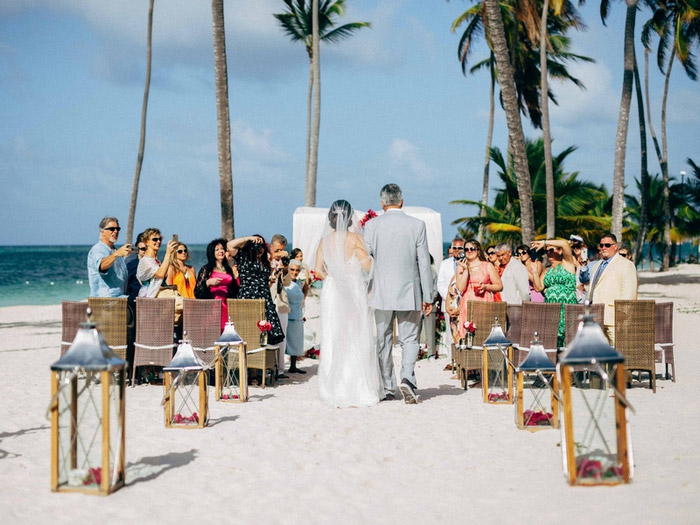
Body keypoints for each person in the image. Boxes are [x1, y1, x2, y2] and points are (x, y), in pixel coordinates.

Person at [364, 184, 433, 404]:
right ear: (402, 201)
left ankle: (387, 386)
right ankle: (407, 378)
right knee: (410, 339)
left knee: (383, 340)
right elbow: (424, 262)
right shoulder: (417, 225)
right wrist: (428, 296)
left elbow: (368, 259)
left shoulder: (372, 226)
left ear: (382, 202)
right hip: (409, 291)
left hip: (381, 291)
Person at [315, 199, 384, 407]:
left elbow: (318, 271)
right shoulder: (355, 239)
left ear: (331, 218)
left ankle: (332, 388)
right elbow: (366, 266)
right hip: (353, 289)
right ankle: (357, 387)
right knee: (356, 333)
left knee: (333, 333)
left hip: (332, 290)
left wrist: (333, 273)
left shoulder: (324, 241)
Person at [227, 235, 285, 346]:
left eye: (262, 246)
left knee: (267, 333)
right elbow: (230, 245)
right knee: (248, 332)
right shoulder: (243, 257)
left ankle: (265, 359)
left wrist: (271, 279)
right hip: (248, 299)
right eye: (256, 246)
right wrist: (249, 238)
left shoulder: (265, 262)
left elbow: (263, 282)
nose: (260, 249)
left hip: (265, 300)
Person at [586, 233, 638, 344]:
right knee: (600, 353)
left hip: (614, 317)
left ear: (615, 246)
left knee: (617, 350)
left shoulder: (626, 265)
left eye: (607, 245)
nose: (603, 247)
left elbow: (628, 295)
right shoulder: (597, 265)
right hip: (596, 316)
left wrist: (623, 318)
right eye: (601, 245)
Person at [531, 239, 578, 348]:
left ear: (560, 251)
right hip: (551, 310)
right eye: (547, 251)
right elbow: (538, 288)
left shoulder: (567, 263)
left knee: (569, 341)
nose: (549, 253)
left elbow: (565, 243)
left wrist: (544, 242)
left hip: (567, 309)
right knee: (552, 342)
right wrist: (534, 273)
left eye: (551, 250)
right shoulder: (547, 270)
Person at [455, 239, 503, 338]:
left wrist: (486, 287)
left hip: (484, 302)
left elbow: (499, 286)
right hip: (467, 304)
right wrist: (466, 270)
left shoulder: (487, 266)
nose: (469, 251)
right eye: (466, 249)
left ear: (477, 250)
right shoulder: (461, 267)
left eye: (472, 248)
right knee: (467, 334)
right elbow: (460, 288)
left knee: (483, 334)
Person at [194, 239, 239, 330]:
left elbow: (235, 289)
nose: (220, 251)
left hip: (227, 305)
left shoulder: (228, 269)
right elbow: (197, 291)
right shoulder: (206, 269)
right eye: (217, 249)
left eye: (222, 249)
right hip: (212, 306)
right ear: (212, 253)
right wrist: (208, 282)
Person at [87, 216, 131, 297]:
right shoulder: (99, 249)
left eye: (118, 229)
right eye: (112, 229)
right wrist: (116, 254)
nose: (115, 231)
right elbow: (102, 266)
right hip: (105, 301)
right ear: (102, 231)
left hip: (119, 299)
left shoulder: (114, 250)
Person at [268, 234, 292, 377]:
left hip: (281, 302)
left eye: (281, 250)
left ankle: (281, 369)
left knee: (282, 336)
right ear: (271, 248)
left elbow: (288, 282)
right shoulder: (265, 261)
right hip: (270, 300)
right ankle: (270, 366)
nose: (278, 254)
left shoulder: (284, 263)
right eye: (277, 250)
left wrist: (284, 267)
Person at [437, 237, 464, 355]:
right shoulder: (445, 264)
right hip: (449, 304)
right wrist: (449, 298)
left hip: (464, 304)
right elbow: (440, 283)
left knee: (463, 332)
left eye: (460, 248)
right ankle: (451, 359)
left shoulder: (467, 263)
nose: (457, 250)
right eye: (455, 247)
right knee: (450, 333)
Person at [136, 228, 177, 298]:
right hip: (150, 297)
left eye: (160, 239)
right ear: (146, 242)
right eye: (155, 239)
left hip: (158, 296)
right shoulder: (145, 261)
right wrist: (168, 254)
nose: (158, 241)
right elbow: (160, 274)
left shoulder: (155, 261)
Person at [284, 260, 306, 374]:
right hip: (287, 315)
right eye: (292, 269)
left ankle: (293, 366)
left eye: (297, 270)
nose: (295, 272)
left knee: (297, 341)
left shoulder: (298, 283)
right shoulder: (284, 282)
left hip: (298, 315)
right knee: (286, 342)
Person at [126, 233, 146, 301]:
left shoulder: (155, 264)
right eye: (143, 249)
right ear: (137, 248)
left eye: (148, 249)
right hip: (135, 300)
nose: (146, 251)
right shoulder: (131, 265)